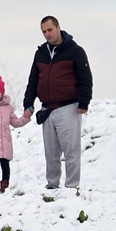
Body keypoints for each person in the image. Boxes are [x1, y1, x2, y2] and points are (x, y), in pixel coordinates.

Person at [23, 16, 93, 189]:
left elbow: (85, 78)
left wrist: (84, 102)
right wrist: (28, 103)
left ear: (58, 27)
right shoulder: (40, 53)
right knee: (51, 153)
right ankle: (52, 186)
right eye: (44, 31)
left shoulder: (75, 51)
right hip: (47, 109)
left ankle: (72, 187)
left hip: (69, 107)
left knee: (71, 151)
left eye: (50, 30)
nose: (47, 34)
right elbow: (33, 80)